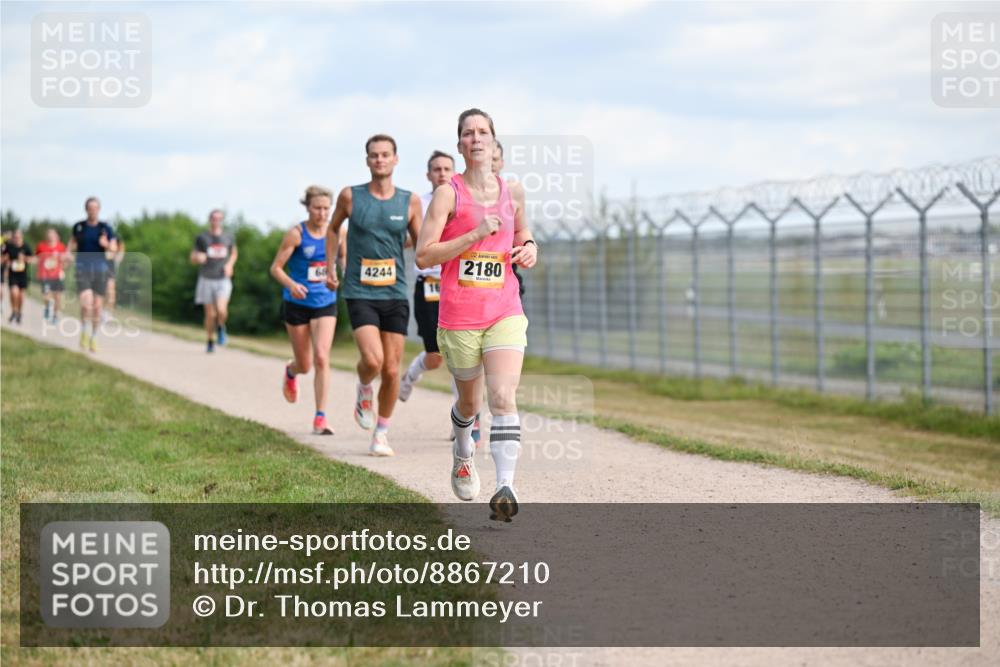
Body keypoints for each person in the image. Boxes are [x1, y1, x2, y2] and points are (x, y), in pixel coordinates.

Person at [416, 108, 538, 522]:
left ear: (493, 140)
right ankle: (463, 450)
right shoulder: (448, 194)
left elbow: (523, 234)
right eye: (468, 133)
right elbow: (423, 255)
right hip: (458, 315)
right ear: (460, 145)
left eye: (483, 131)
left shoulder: (513, 191)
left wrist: (529, 248)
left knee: (503, 396)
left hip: (504, 308)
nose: (476, 138)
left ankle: (505, 486)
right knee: (470, 403)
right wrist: (472, 235)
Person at [325, 134, 421, 457]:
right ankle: (364, 387)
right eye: (374, 155)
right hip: (359, 290)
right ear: (367, 161)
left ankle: (381, 433)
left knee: (392, 370)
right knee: (373, 361)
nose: (379, 160)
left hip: (394, 292)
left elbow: (421, 243)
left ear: (395, 160)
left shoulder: (410, 201)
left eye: (385, 155)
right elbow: (331, 228)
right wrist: (329, 267)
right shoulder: (351, 197)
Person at [270, 186, 339, 436]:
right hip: (297, 303)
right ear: (307, 208)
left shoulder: (336, 232)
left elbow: (343, 263)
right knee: (305, 364)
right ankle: (291, 371)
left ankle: (320, 417)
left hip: (325, 303)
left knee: (322, 356)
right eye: (317, 208)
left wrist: (335, 278)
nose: (322, 213)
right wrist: (292, 284)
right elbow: (276, 268)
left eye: (326, 208)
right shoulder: (296, 234)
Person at [69, 197, 116, 352]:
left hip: (100, 270)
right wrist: (67, 255)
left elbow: (114, 249)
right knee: (86, 303)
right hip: (82, 268)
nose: (93, 210)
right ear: (86, 209)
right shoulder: (79, 227)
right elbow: (71, 245)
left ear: (99, 209)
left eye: (95, 208)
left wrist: (106, 244)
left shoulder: (105, 228)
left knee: (97, 307)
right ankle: (83, 330)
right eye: (90, 208)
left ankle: (94, 336)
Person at [191, 209, 238, 353]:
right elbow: (193, 256)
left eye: (219, 218)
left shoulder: (228, 236)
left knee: (222, 310)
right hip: (206, 278)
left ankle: (221, 327)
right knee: (210, 315)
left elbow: (234, 252)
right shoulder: (202, 237)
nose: (216, 221)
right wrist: (197, 258)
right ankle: (210, 340)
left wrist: (230, 265)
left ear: (222, 220)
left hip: (222, 278)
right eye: (213, 218)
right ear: (209, 220)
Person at [35, 228, 68, 323]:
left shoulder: (61, 247)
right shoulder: (41, 246)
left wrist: (64, 264)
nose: (50, 236)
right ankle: (47, 307)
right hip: (45, 276)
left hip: (57, 275)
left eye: (52, 234)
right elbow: (37, 258)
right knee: (46, 296)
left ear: (56, 236)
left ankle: (55, 315)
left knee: (58, 297)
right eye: (49, 234)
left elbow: (65, 261)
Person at [2, 230, 33, 324]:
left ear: (21, 237)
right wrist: (7, 261)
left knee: (21, 296)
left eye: (18, 237)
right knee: (13, 293)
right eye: (15, 237)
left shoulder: (26, 247)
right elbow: (4, 258)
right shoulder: (9, 246)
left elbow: (32, 259)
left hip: (23, 274)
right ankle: (14, 311)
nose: (16, 239)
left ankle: (19, 312)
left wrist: (24, 258)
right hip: (13, 274)